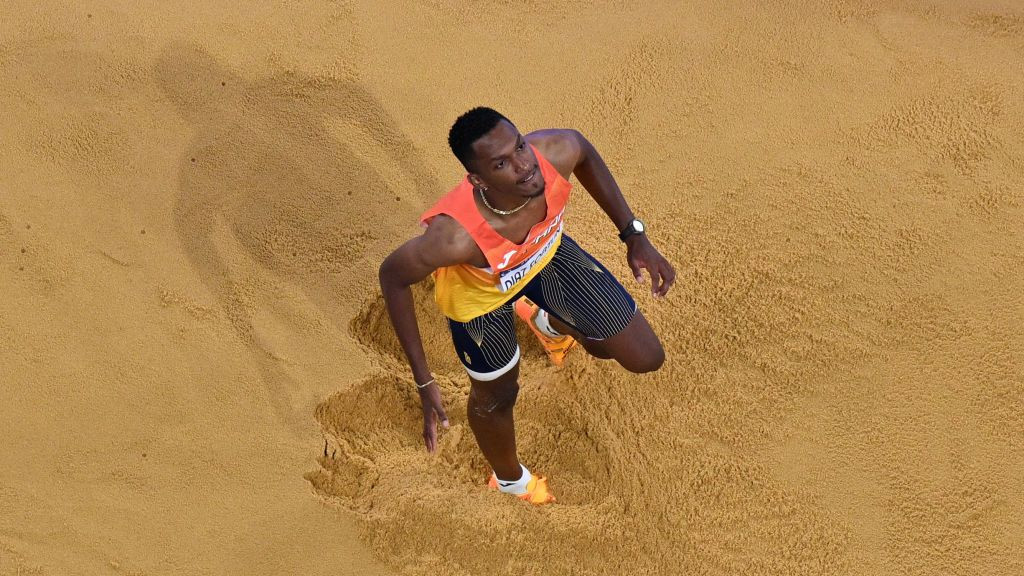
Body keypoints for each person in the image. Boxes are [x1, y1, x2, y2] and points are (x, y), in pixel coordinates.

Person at [378, 107, 675, 504]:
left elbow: (583, 149)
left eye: (519, 146)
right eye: (502, 163)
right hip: (480, 298)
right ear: (478, 179)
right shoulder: (453, 239)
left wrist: (633, 235)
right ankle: (510, 481)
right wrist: (423, 379)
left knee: (644, 356)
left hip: (544, 255)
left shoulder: (553, 153)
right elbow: (392, 276)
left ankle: (549, 323)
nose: (524, 166)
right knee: (497, 396)